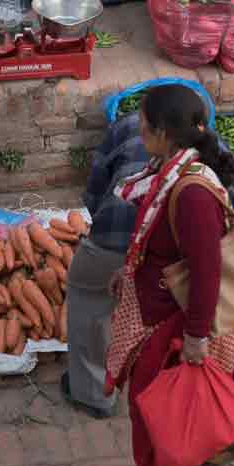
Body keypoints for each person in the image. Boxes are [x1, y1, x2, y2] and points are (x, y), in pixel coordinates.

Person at [102, 85, 234, 466]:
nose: (140, 134)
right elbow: (157, 239)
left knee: (150, 404)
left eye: (144, 127)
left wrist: (195, 336)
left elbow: (207, 271)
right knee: (184, 393)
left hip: (173, 318)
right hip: (164, 305)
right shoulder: (168, 170)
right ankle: (218, 446)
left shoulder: (190, 194)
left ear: (164, 133)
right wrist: (129, 271)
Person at [60, 109, 151, 419]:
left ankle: (93, 395)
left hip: (115, 238)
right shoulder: (212, 147)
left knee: (88, 295)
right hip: (172, 255)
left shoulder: (128, 124)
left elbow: (96, 191)